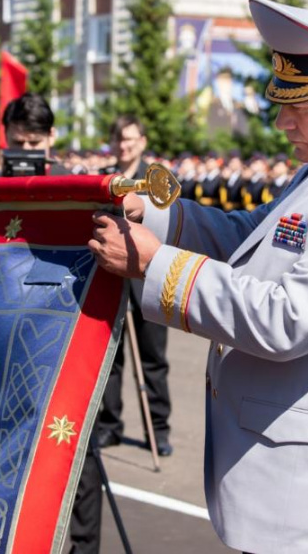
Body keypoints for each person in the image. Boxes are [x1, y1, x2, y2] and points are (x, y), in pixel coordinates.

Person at [88, 0, 308, 553]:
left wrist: (154, 263)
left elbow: (288, 319)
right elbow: (253, 240)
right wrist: (155, 214)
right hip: (293, 490)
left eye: (300, 106)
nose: (283, 121)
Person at [96, 114, 174, 458]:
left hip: (149, 278)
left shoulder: (155, 180)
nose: (125, 145)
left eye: (130, 139)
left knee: (153, 358)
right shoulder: (105, 180)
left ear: (142, 141)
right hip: (112, 278)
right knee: (111, 361)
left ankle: (158, 430)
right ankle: (110, 426)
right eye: (119, 140)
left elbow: (172, 223)